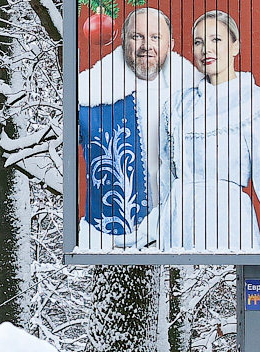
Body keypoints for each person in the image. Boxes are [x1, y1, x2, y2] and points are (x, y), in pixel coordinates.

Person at [159, 10, 260, 250]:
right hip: (176, 225)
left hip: (227, 224)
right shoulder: (178, 105)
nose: (206, 49)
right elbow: (164, 178)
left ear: (235, 46)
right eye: (199, 42)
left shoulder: (256, 103)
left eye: (216, 40)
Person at [78, 8, 200, 250]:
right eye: (137, 37)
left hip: (181, 235)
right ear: (124, 41)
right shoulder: (89, 95)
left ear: (170, 44)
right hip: (112, 241)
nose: (146, 46)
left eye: (155, 37)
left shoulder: (197, 97)